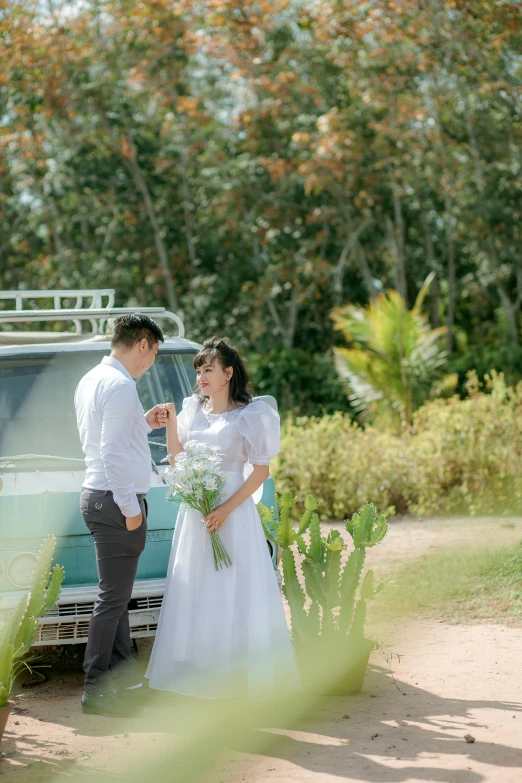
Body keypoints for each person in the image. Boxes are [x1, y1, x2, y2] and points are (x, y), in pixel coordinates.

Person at [146, 336, 300, 700]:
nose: (200, 376)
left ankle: (239, 674)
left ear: (228, 373)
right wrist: (170, 424)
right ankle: (202, 675)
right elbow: (178, 460)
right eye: (198, 369)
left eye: (208, 369)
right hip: (196, 513)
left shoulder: (252, 414)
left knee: (235, 588)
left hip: (234, 512)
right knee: (197, 590)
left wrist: (225, 510)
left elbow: (260, 472)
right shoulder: (193, 411)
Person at [75, 313, 168, 716]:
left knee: (117, 596)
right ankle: (95, 690)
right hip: (115, 501)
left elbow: (109, 439)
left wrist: (142, 423)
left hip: (102, 497)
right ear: (143, 344)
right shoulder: (119, 385)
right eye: (152, 355)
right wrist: (131, 509)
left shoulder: (93, 378)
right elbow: (111, 453)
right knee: (111, 600)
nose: (150, 365)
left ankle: (127, 682)